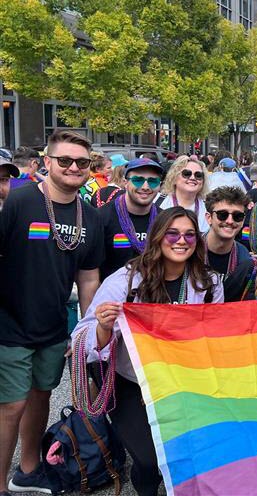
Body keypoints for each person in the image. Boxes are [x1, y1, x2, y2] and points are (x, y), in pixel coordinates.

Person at [72, 207, 222, 496]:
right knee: (150, 459)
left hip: (184, 381)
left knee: (194, 449)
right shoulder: (126, 280)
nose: (181, 241)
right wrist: (104, 326)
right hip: (131, 382)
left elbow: (214, 337)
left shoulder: (209, 283)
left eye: (190, 235)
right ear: (157, 237)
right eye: (173, 233)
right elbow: (80, 336)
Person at [0, 130, 104, 495]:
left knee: (41, 395)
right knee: (11, 405)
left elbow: (88, 277)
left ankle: (27, 471)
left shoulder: (90, 216)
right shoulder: (19, 201)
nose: (73, 167)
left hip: (53, 326)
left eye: (82, 162)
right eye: (64, 160)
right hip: (9, 323)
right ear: (47, 163)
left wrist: (87, 329)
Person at [98, 158, 163, 281]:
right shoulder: (102, 217)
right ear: (125, 182)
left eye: (153, 181)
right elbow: (91, 271)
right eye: (138, 180)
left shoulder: (164, 220)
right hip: (112, 296)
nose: (145, 187)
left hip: (153, 295)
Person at [203, 186, 255, 301]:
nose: (230, 221)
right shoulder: (190, 249)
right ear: (209, 218)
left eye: (237, 216)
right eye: (222, 215)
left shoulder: (245, 262)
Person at [157, 156, 210, 231]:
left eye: (198, 175)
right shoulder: (157, 201)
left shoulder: (208, 208)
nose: (192, 178)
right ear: (174, 178)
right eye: (187, 174)